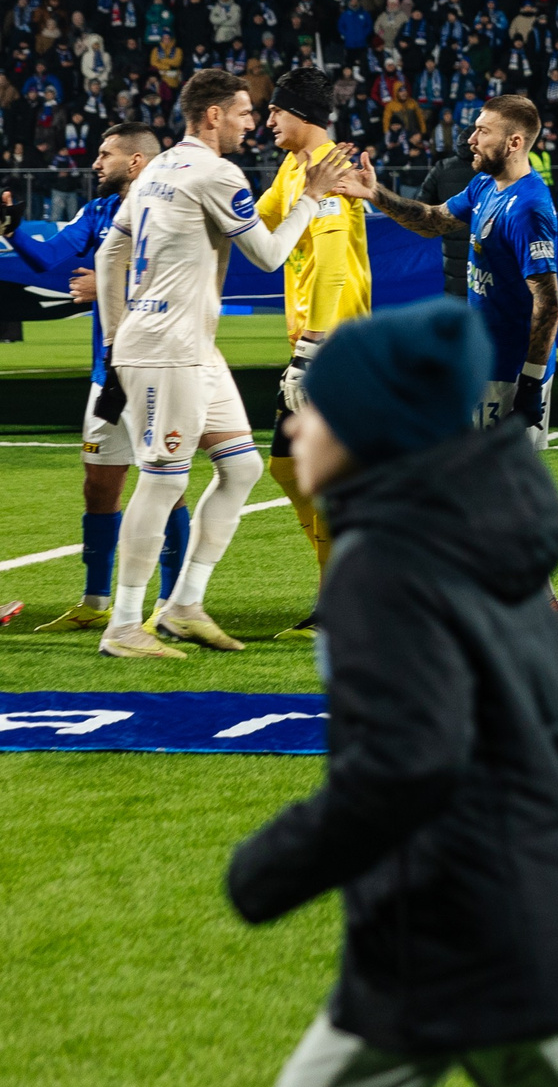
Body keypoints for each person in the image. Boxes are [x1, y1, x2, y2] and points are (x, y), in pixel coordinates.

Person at [230, 298, 558, 1087]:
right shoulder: (484, 534)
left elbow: (408, 759)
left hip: (459, 927)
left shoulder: (380, 562)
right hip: (483, 924)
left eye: (314, 407)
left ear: (370, 424)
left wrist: (264, 869)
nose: (295, 430)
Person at [91, 70, 358, 658]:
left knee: (240, 469)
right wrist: (312, 198)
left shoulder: (158, 167)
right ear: (212, 115)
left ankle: (184, 604)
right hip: (170, 350)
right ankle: (125, 624)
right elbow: (266, 255)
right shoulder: (216, 172)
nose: (250, 122)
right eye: (241, 112)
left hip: (182, 346)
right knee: (164, 479)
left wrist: (116, 337)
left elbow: (111, 252)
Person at [8, 123, 191, 632]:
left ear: (135, 161)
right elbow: (49, 256)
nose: (95, 162)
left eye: (105, 154)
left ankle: (172, 607)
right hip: (105, 375)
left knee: (168, 487)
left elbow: (180, 289)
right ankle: (94, 601)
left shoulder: (174, 210)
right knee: (98, 487)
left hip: (156, 369)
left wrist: (110, 287)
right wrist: (11, 228)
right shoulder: (99, 212)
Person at [349, 93, 558, 447]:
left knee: (492, 488)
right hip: (482, 358)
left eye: (482, 132)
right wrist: (376, 194)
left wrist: (530, 382)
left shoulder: (529, 208)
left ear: (514, 143)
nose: (470, 140)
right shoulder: (483, 185)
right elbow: (432, 220)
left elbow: (549, 302)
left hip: (509, 372)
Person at [258, 66, 373, 634]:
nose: (268, 119)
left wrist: (312, 348)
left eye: (277, 111)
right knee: (286, 468)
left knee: (324, 476)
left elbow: (330, 266)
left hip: (333, 348)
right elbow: (258, 225)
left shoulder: (334, 172)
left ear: (301, 113)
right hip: (315, 346)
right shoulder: (293, 167)